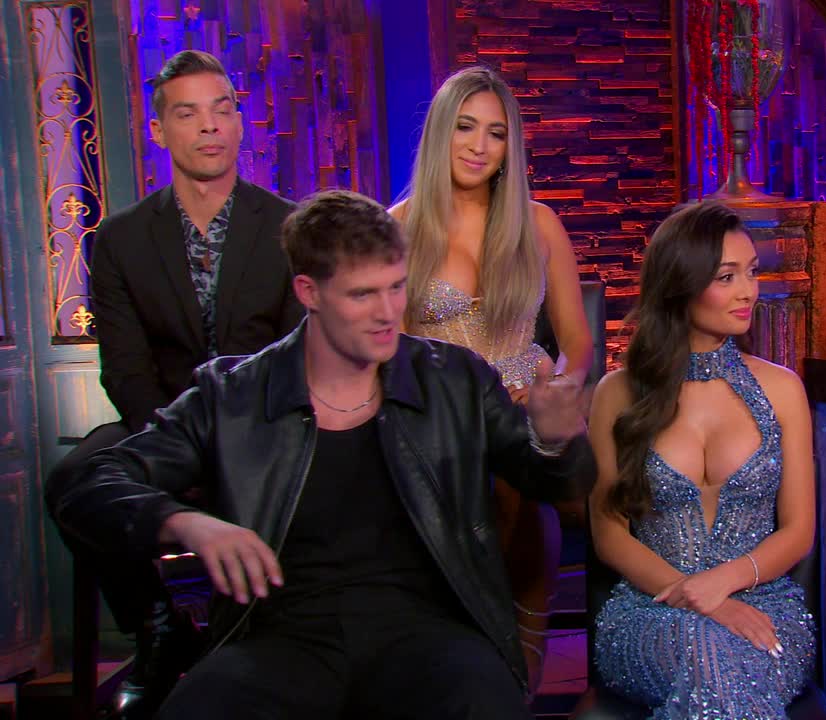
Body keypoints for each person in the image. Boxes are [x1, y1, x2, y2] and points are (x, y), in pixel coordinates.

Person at [46, 189, 594, 720]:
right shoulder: (234, 394)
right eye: (362, 295)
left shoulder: (455, 379)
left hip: (428, 633)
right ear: (308, 292)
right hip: (279, 640)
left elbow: (555, 482)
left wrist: (553, 441)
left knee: (484, 701)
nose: (388, 313)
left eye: (397, 287)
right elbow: (88, 484)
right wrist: (186, 523)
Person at [44, 49, 301, 715]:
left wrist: (236, 442)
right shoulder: (122, 238)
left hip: (267, 427)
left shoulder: (288, 226)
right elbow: (126, 369)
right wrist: (180, 447)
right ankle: (158, 627)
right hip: (163, 427)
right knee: (74, 479)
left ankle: (265, 644)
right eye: (189, 114)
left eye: (222, 110)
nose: (210, 126)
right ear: (160, 131)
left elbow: (297, 356)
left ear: (238, 123)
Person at [390, 65, 593, 690]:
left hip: (528, 403)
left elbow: (577, 343)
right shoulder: (397, 228)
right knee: (496, 474)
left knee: (524, 467)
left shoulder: (539, 223)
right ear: (440, 133)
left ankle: (520, 661)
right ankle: (481, 652)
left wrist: (559, 388)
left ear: (511, 146)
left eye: (496, 133)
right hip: (441, 411)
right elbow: (388, 351)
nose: (479, 146)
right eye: (466, 127)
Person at [588, 202, 817, 718]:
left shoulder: (783, 390)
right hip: (652, 607)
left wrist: (723, 585)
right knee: (706, 652)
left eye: (752, 272)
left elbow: (798, 531)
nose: (748, 291)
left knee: (723, 661)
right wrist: (699, 597)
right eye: (726, 277)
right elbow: (609, 535)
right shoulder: (616, 394)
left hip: (765, 606)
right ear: (680, 284)